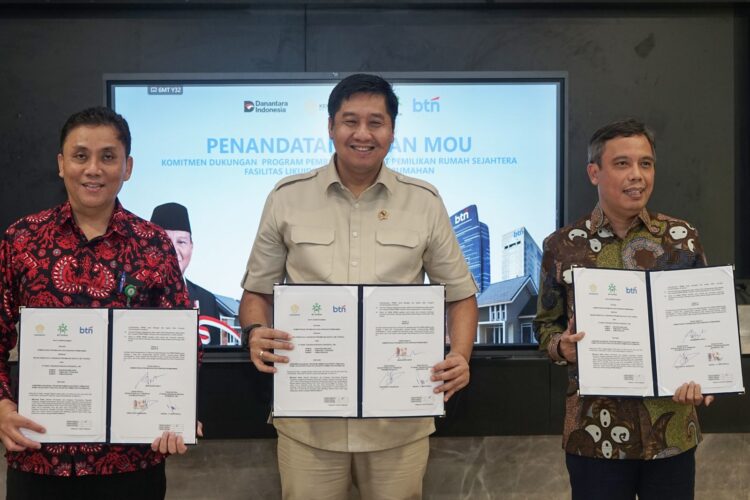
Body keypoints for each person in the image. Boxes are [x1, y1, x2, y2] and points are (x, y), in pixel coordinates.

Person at [239, 73, 478, 499]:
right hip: (309, 423)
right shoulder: (286, 198)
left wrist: (460, 356)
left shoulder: (424, 202)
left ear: (392, 131)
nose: (363, 134)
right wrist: (256, 332)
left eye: (376, 122)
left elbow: (460, 295)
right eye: (350, 121)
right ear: (331, 127)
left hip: (398, 424)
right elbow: (257, 292)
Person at [0, 107, 197, 500]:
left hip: (131, 460)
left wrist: (176, 409)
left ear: (128, 167)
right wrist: (2, 405)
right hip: (40, 455)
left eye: (108, 156)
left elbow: (181, 340)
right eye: (80, 156)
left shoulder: (154, 244)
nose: (93, 169)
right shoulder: (21, 240)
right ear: (61, 164)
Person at [534, 118, 712, 500]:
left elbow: (703, 323)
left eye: (645, 163)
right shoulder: (562, 246)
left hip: (671, 433)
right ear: (594, 173)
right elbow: (545, 326)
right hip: (593, 437)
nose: (637, 175)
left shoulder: (682, 239)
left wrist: (708, 377)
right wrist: (561, 346)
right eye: (622, 164)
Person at [150, 202, 223, 346]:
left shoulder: (207, 300)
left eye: (181, 242)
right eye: (164, 241)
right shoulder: (131, 295)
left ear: (191, 247)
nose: (173, 250)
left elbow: (214, 355)